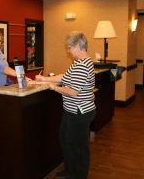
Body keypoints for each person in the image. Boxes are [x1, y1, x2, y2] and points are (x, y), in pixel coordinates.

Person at [35, 31, 96, 179]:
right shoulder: (79, 62)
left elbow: (72, 91)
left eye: (69, 47)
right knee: (66, 140)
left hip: (79, 112)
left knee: (78, 145)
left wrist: (53, 87)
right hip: (73, 111)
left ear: (78, 46)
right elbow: (65, 76)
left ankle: (78, 174)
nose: (68, 50)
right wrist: (44, 79)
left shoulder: (83, 65)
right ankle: (70, 170)